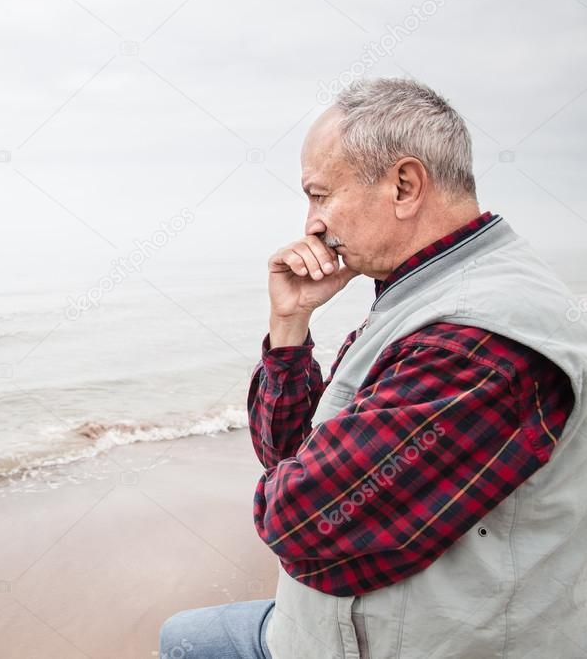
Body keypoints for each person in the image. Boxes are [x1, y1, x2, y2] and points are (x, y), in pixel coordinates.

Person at [160, 77, 587, 658]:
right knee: (184, 635)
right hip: (327, 631)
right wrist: (289, 325)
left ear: (405, 185)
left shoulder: (474, 341)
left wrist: (304, 482)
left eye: (319, 194)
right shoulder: (429, 292)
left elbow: (299, 524)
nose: (310, 223)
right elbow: (288, 455)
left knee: (186, 641)